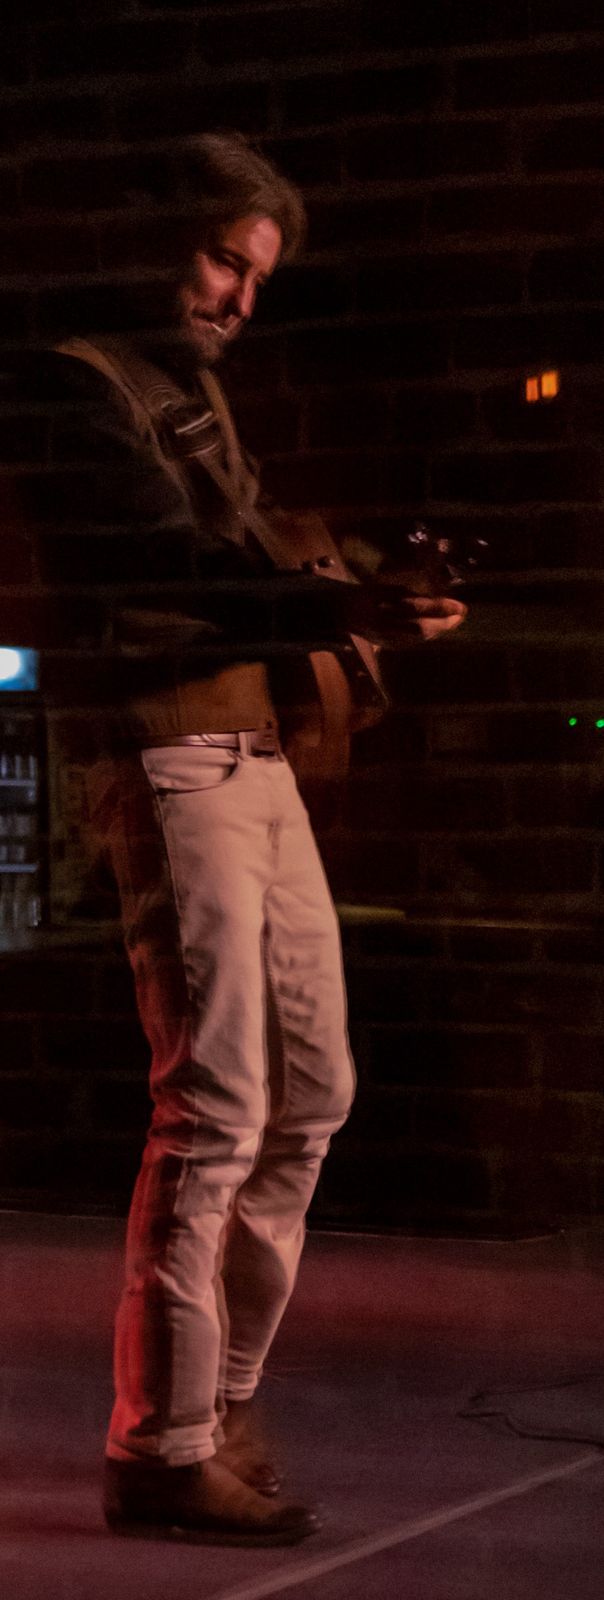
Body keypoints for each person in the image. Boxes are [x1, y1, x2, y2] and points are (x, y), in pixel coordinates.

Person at [25, 133, 466, 1545]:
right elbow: (156, 560)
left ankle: (212, 1406)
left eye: (255, 276)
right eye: (224, 260)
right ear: (152, 233)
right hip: (167, 750)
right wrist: (339, 604)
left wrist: (367, 591)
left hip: (255, 753)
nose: (237, 298)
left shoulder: (187, 390)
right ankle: (161, 1446)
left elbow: (247, 552)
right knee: (215, 1104)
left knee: (314, 1093)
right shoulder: (71, 385)